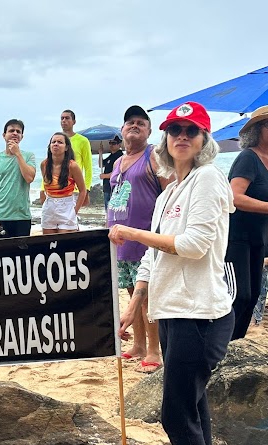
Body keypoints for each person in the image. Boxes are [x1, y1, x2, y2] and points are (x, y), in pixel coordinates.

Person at [109, 102, 234, 445]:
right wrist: (135, 303)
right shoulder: (171, 192)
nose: (182, 136)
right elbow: (152, 257)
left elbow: (194, 246)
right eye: (175, 129)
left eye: (191, 130)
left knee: (176, 414)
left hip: (200, 315)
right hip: (172, 310)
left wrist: (133, 232)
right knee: (194, 405)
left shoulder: (209, 179)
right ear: (165, 138)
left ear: (204, 141)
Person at [108, 105, 168, 373]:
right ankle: (140, 345)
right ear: (122, 130)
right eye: (129, 122)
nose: (134, 126)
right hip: (121, 241)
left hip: (145, 237)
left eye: (140, 123)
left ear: (149, 130)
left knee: (148, 298)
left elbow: (169, 192)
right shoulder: (119, 161)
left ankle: (154, 350)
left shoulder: (153, 155)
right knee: (133, 294)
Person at [224, 105, 268, 340]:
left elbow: (261, 191)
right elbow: (235, 197)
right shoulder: (248, 157)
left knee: (252, 297)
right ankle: (220, 350)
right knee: (238, 296)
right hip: (237, 239)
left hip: (258, 240)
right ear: (255, 131)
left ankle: (235, 347)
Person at [0, 119, 36, 239]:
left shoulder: (28, 156)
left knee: (21, 256)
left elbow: (29, 178)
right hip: (0, 216)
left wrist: (18, 154)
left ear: (22, 137)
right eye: (11, 130)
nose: (15, 133)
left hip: (22, 217)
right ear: (4, 135)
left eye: (18, 131)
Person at [39, 132, 87, 234]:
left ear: (66, 148)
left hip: (67, 206)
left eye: (60, 142)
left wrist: (75, 211)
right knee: (49, 244)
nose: (56, 144)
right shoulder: (44, 164)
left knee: (66, 244)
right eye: (53, 142)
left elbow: (83, 190)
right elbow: (45, 186)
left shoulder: (72, 166)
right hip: (49, 207)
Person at [60, 109, 93, 201]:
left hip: (74, 189)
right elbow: (49, 165)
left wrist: (86, 189)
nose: (64, 120)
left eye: (67, 118)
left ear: (74, 122)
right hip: (56, 187)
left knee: (72, 215)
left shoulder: (83, 141)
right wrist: (43, 188)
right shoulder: (56, 141)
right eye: (62, 118)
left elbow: (88, 167)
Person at [99, 135, 124, 210]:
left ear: (119, 145)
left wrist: (105, 176)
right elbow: (101, 165)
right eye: (110, 143)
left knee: (113, 209)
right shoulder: (111, 155)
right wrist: (100, 154)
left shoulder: (120, 156)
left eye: (114, 143)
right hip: (107, 186)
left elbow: (118, 172)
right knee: (108, 208)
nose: (111, 145)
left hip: (114, 187)